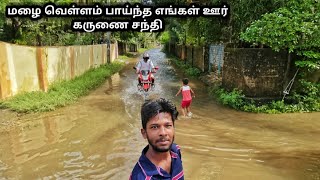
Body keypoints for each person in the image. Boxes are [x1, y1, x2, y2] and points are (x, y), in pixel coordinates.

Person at [130, 98, 184, 180]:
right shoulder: (142, 177)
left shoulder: (176, 151)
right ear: (144, 133)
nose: (163, 133)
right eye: (154, 127)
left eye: (168, 125)